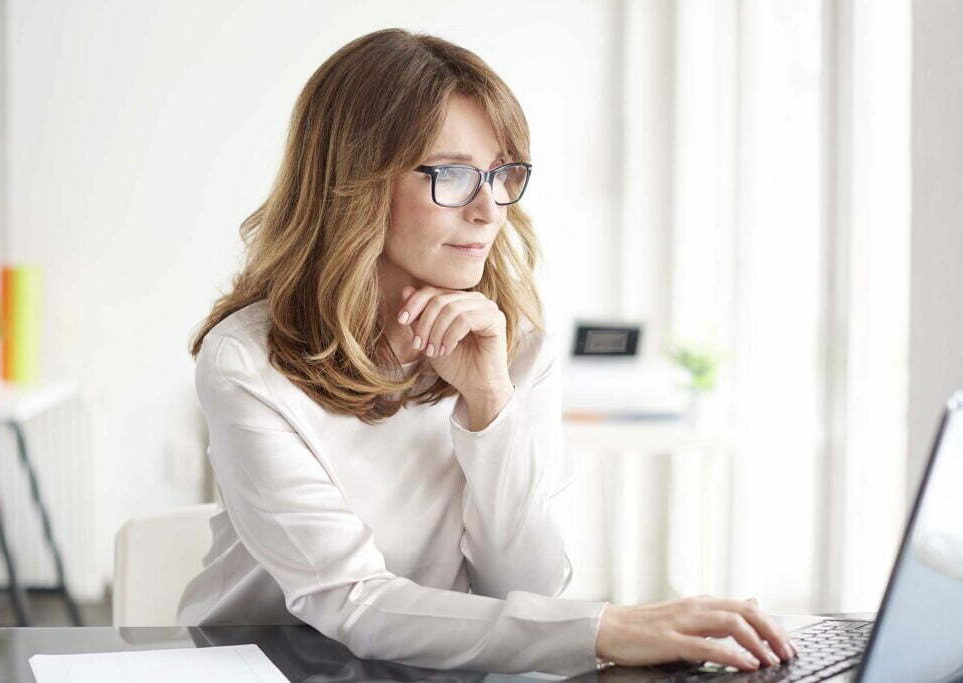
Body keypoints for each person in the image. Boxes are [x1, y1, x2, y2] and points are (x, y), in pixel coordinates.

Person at [176, 27, 798, 676]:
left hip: (415, 668)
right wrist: (609, 625)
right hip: (255, 665)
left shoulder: (515, 346)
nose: (488, 209)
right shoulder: (247, 362)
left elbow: (525, 590)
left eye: (501, 175)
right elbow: (351, 600)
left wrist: (491, 404)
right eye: (451, 174)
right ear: (354, 182)